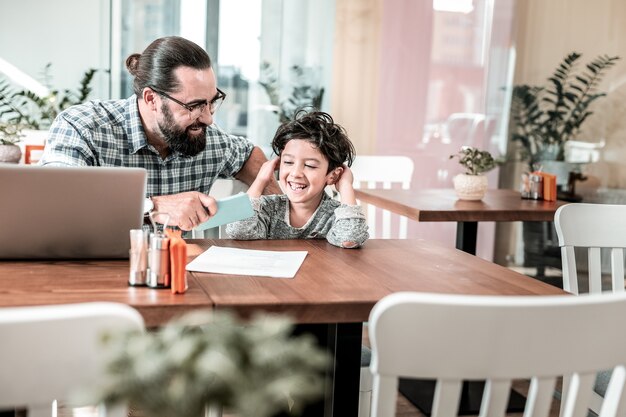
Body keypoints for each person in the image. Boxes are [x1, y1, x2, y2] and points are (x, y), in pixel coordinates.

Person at [39, 36, 279, 231]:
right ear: (151, 99)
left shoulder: (207, 138)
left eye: (211, 102)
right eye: (194, 106)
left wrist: (285, 211)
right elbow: (56, 200)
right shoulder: (83, 127)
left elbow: (248, 155)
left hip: (177, 278)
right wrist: (154, 207)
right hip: (94, 272)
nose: (208, 118)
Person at [226, 110, 369, 248]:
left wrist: (345, 185)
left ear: (332, 175)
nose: (295, 173)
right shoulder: (268, 208)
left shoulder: (334, 215)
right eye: (288, 162)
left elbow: (350, 239)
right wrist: (261, 180)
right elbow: (238, 230)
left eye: (309, 165)